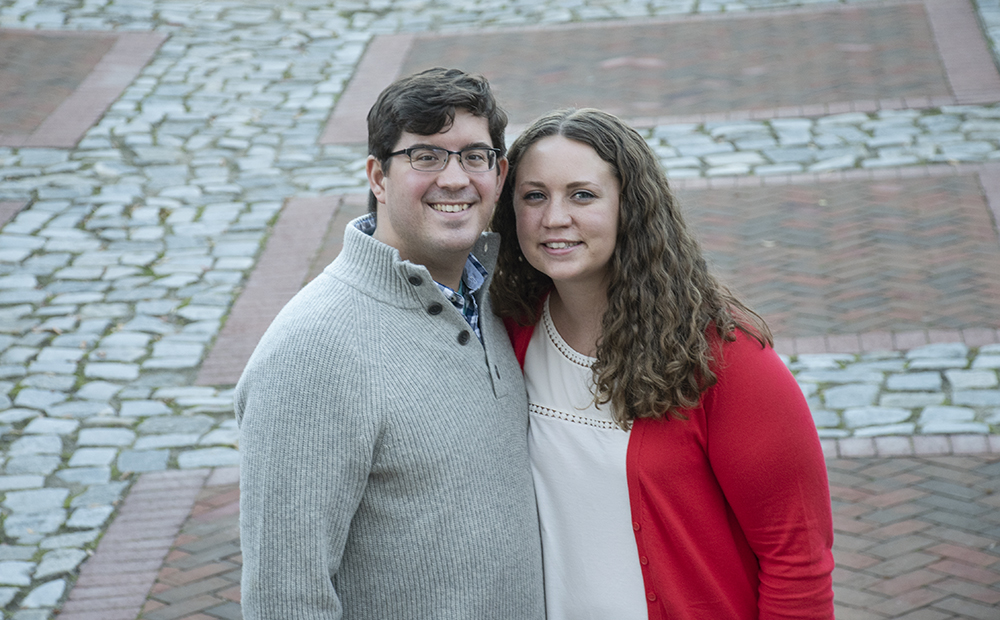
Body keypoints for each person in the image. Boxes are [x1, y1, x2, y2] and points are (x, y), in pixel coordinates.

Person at [490, 108, 835, 620]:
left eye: (582, 195)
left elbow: (797, 559)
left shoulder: (722, 356)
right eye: (533, 195)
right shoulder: (508, 331)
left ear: (631, 208)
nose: (554, 218)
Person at [235, 68, 545, 620]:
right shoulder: (311, 351)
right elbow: (285, 596)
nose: (455, 178)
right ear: (377, 177)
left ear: (499, 175)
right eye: (425, 156)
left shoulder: (493, 298)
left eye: (475, 156)